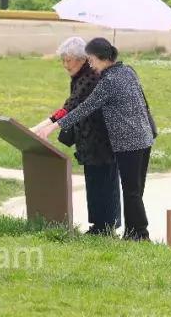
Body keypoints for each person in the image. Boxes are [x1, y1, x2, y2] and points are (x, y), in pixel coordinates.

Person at [36, 37, 157, 240]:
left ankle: (139, 234)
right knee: (135, 191)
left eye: (91, 60)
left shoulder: (107, 82)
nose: (90, 64)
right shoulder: (128, 71)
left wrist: (52, 127)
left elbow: (83, 108)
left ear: (102, 58)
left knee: (131, 191)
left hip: (128, 143)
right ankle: (134, 233)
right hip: (144, 138)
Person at [32, 36, 120, 235]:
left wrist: (42, 127)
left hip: (101, 139)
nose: (65, 65)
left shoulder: (89, 78)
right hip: (90, 139)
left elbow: (69, 107)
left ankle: (105, 227)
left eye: (68, 60)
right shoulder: (81, 76)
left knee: (104, 182)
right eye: (63, 60)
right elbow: (69, 106)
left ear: (82, 59)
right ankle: (100, 226)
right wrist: (40, 127)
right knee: (95, 181)